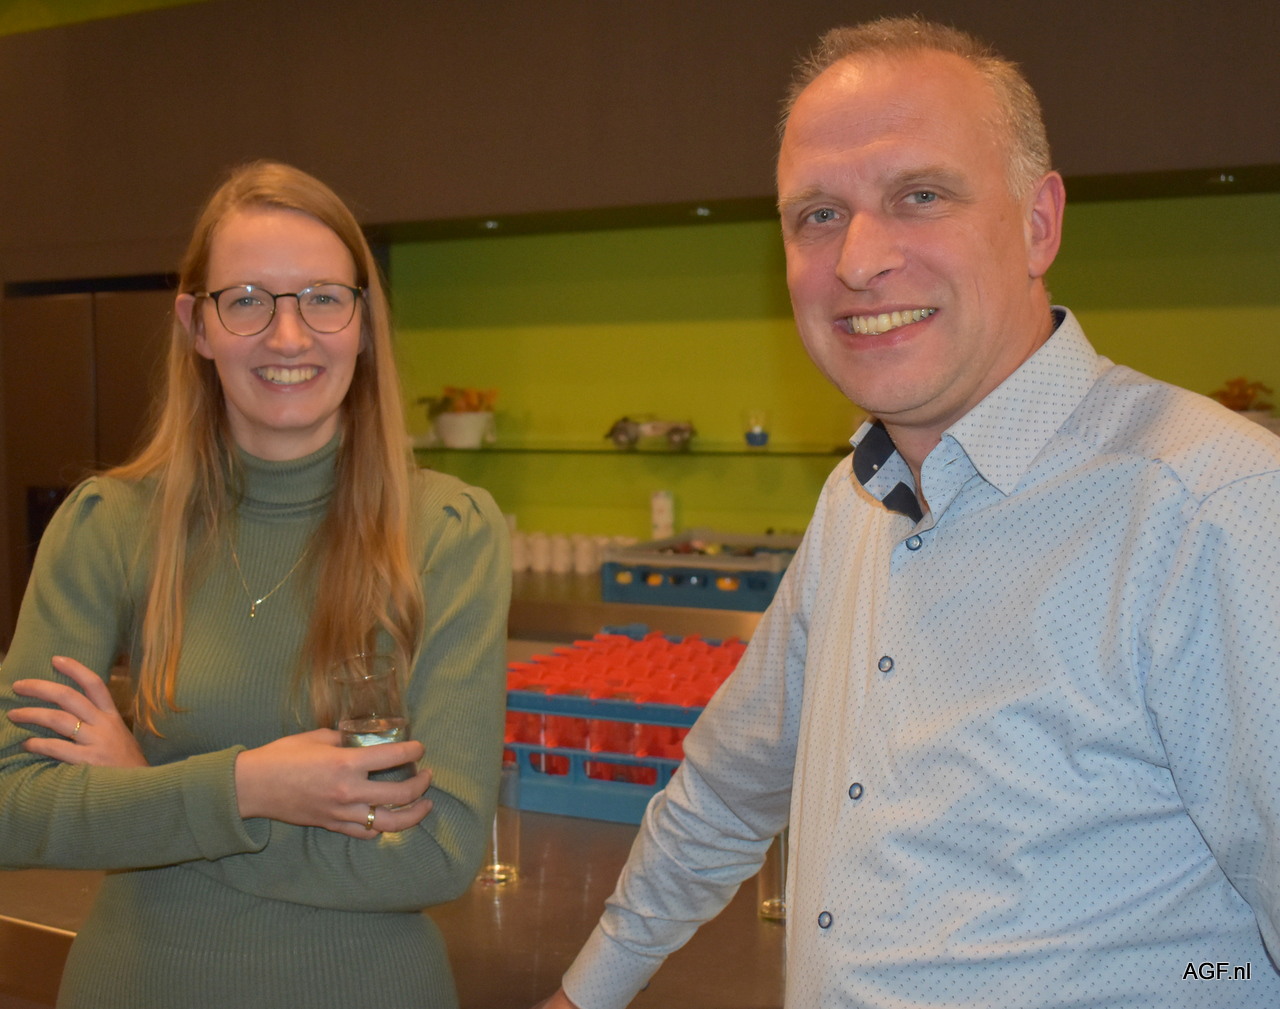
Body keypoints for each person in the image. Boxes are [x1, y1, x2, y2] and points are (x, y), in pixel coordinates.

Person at [535, 16, 1280, 1009]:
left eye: (918, 196)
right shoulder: (854, 501)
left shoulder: (1213, 512)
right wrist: (586, 993)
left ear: (1038, 223)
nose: (857, 259)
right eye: (817, 214)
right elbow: (725, 790)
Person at [0, 161, 511, 1008]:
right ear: (196, 325)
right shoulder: (108, 525)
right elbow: (11, 804)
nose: (288, 336)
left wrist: (143, 795)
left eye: (322, 298)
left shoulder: (449, 533)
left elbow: (439, 852)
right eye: (246, 300)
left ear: (364, 323)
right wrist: (247, 787)